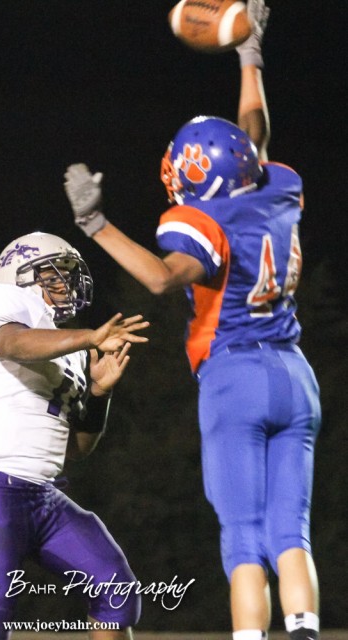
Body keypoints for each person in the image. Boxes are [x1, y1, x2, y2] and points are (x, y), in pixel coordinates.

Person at [63, 2, 322, 639]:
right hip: (296, 377)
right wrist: (250, 57)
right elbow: (253, 139)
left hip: (235, 376)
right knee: (291, 532)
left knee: (243, 537)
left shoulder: (201, 223)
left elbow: (161, 277)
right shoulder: (277, 190)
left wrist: (95, 224)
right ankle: (305, 628)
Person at [0, 231, 149, 640]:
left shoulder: (67, 348)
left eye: (69, 276)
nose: (66, 284)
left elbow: (77, 449)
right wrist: (89, 336)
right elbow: (13, 344)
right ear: (20, 276)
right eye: (54, 275)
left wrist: (99, 394)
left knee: (117, 592)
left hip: (44, 494)